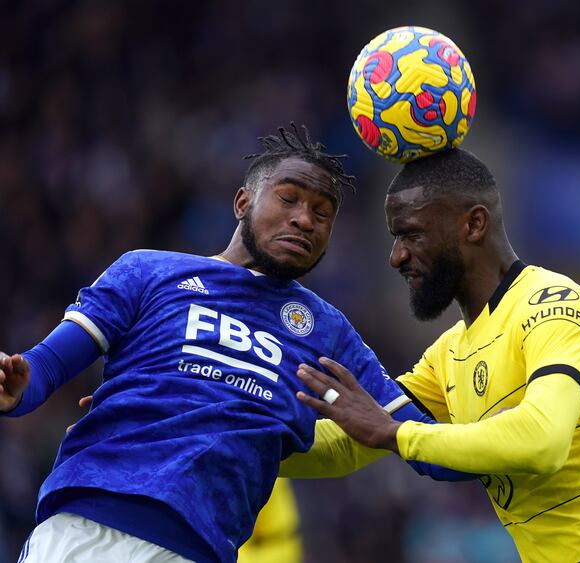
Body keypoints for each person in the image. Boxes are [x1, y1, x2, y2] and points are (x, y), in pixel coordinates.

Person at [0, 124, 470, 563]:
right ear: (243, 202)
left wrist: (517, 442)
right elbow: (44, 368)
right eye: (289, 200)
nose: (304, 220)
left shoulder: (327, 331)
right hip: (83, 526)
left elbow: (423, 442)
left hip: (197, 548)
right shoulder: (148, 271)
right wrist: (18, 384)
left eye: (322, 214)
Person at [287, 148, 580, 562]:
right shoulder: (448, 354)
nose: (397, 256)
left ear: (474, 224)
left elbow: (543, 440)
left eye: (411, 234)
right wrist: (245, 438)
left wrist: (398, 434)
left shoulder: (552, 304)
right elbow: (351, 440)